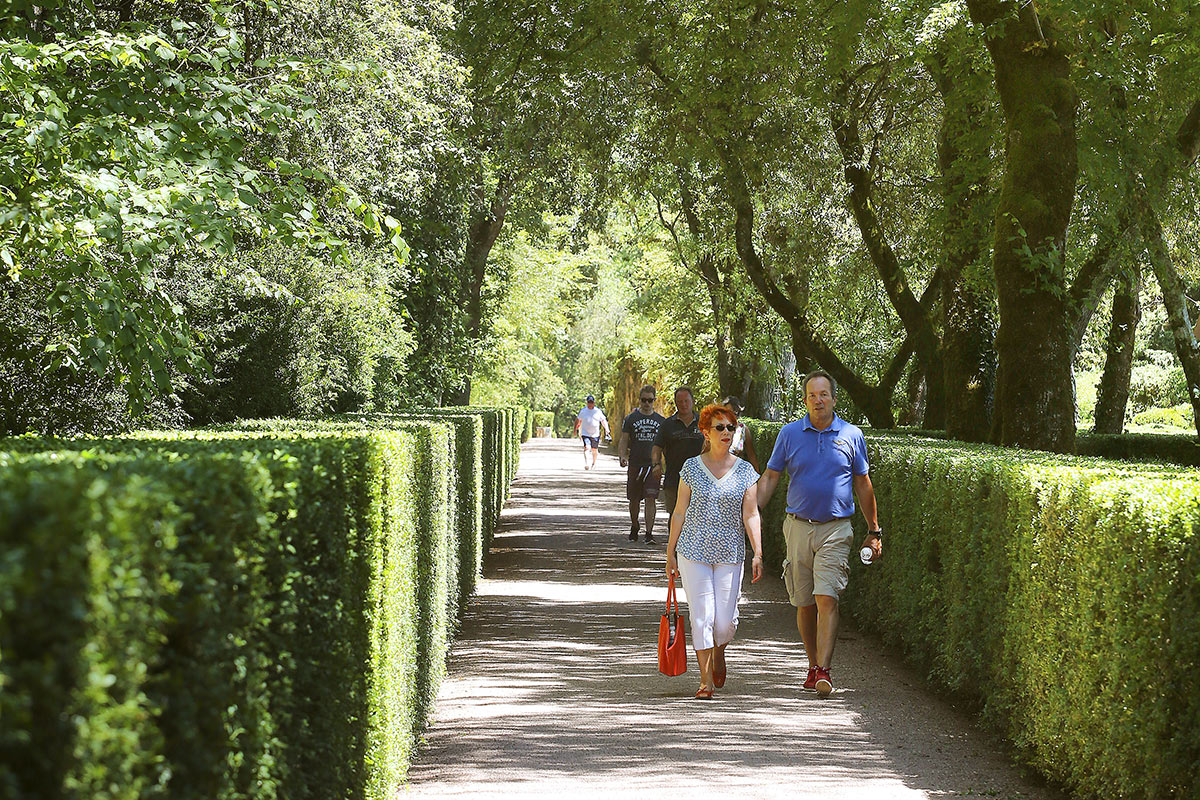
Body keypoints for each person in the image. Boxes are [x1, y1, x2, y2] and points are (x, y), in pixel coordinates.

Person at [756, 370, 882, 698]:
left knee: (827, 597)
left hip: (836, 528)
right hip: (797, 526)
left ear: (834, 399)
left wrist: (874, 530)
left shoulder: (852, 435)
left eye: (823, 394)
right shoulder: (789, 434)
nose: (818, 400)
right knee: (804, 602)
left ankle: (824, 669)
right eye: (812, 395)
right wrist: (750, 512)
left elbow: (862, 484)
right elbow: (771, 477)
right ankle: (812, 665)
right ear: (805, 400)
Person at [666, 403, 763, 699]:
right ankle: (704, 681)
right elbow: (679, 511)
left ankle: (719, 650)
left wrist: (757, 552)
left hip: (730, 554)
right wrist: (670, 552)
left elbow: (751, 514)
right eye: (719, 427)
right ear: (705, 432)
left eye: (730, 428)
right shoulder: (692, 468)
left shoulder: (745, 471)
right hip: (693, 551)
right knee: (702, 616)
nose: (726, 433)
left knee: (724, 623)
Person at [651, 387, 705, 528]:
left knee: (698, 516)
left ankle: (694, 549)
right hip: (674, 477)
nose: (683, 404)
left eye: (686, 401)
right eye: (680, 401)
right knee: (675, 515)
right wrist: (656, 465)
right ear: (675, 403)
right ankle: (673, 548)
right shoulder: (667, 425)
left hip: (700, 479)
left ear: (692, 401)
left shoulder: (704, 423)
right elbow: (657, 447)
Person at [618, 385, 666, 544]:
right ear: (639, 400)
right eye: (644, 400)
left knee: (651, 498)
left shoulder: (661, 421)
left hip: (653, 466)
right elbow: (624, 439)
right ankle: (634, 525)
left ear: (654, 400)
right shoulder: (631, 419)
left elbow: (666, 444)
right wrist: (622, 455)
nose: (647, 403)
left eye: (650, 400)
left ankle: (649, 533)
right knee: (634, 499)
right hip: (635, 464)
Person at [721, 395, 761, 472]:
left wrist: (757, 475)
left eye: (734, 413)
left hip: (737, 474)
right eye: (727, 413)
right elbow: (705, 452)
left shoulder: (743, 429)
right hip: (718, 472)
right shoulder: (715, 429)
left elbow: (751, 455)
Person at [574, 394, 610, 471]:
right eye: (589, 402)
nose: (590, 404)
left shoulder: (598, 411)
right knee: (587, 447)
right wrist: (575, 429)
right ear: (587, 403)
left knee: (594, 450)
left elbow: (603, 420)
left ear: (594, 403)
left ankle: (594, 463)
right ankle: (586, 464)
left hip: (595, 434)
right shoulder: (583, 411)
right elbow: (578, 420)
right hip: (585, 433)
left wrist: (607, 429)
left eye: (591, 402)